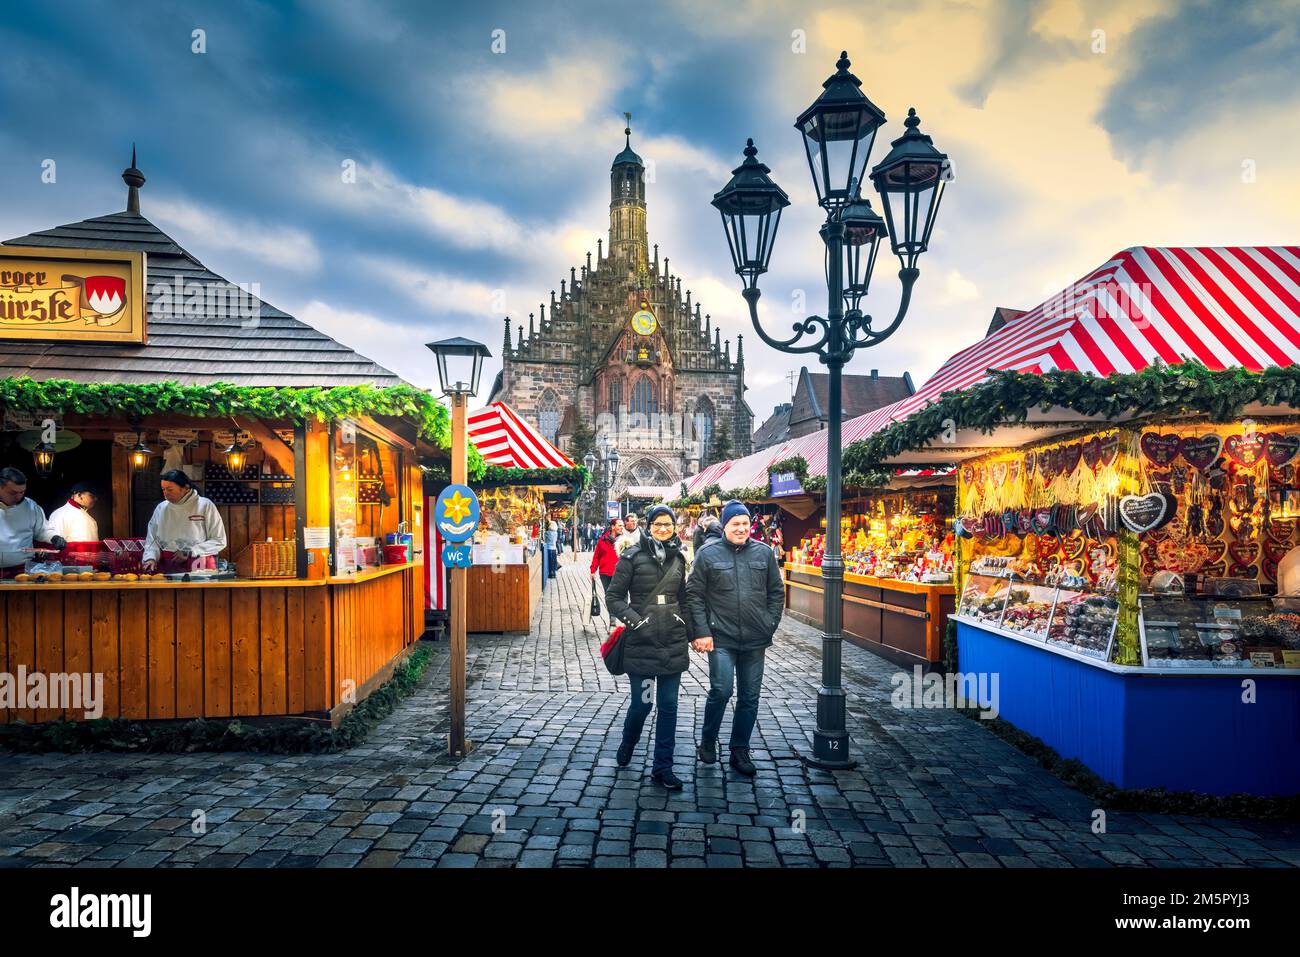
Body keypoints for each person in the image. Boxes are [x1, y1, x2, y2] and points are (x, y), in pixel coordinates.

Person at [685, 499, 784, 777]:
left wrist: (769, 624)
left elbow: (776, 593)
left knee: (750, 697)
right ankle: (708, 740)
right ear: (725, 526)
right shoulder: (708, 554)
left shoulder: (763, 554)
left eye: (744, 524)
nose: (741, 529)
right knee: (722, 689)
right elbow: (694, 595)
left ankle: (739, 749)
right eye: (735, 524)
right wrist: (701, 631)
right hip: (721, 637)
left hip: (755, 638)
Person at [605, 504, 692, 789]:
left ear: (674, 527)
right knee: (643, 705)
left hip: (672, 644)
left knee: (669, 706)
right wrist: (636, 622)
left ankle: (662, 768)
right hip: (641, 644)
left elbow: (685, 599)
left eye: (668, 525)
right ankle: (628, 743)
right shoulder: (631, 557)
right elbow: (614, 597)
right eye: (658, 525)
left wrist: (690, 627)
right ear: (649, 525)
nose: (663, 529)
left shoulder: (679, 559)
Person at [142, 469, 227, 574]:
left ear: (186, 488)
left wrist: (190, 551)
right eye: (163, 489)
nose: (165, 494)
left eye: (170, 489)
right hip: (169, 566)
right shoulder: (161, 508)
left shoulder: (205, 505)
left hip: (201, 567)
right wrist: (150, 558)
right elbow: (152, 539)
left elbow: (219, 540)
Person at [0, 467, 65, 578]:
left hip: (21, 570)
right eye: (13, 493)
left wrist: (54, 537)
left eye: (22, 492)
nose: (18, 496)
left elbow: (42, 530)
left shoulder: (31, 506)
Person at [590, 517, 621, 594]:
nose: (622, 528)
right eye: (619, 525)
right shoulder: (603, 539)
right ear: (613, 527)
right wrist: (593, 571)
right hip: (605, 574)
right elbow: (596, 556)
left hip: (620, 574)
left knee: (622, 596)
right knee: (609, 596)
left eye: (623, 526)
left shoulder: (625, 540)